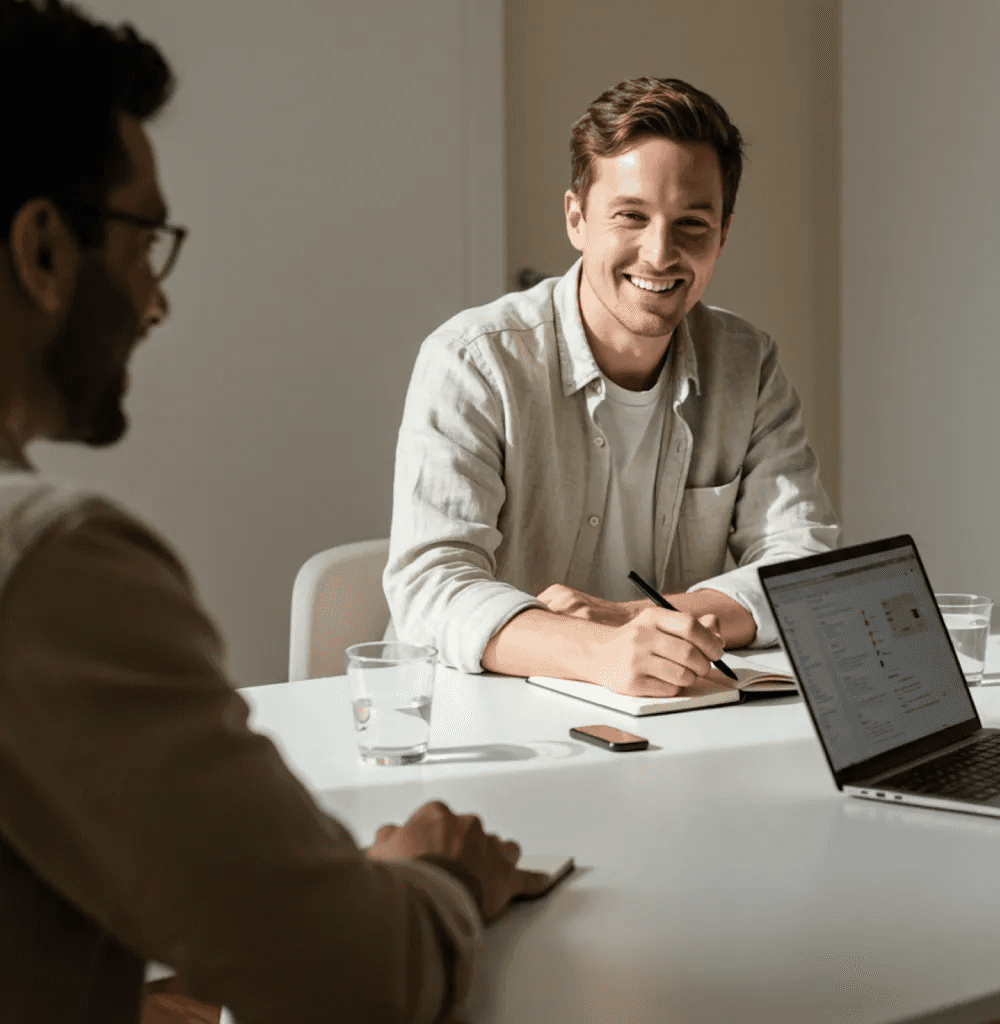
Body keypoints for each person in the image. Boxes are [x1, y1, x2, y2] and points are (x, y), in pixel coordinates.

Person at [0, 3, 542, 1021]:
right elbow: (359, 979)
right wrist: (439, 877)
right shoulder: (53, 566)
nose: (157, 303)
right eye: (145, 241)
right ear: (42, 251)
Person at [385, 77, 840, 698]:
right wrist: (597, 650)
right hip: (480, 724)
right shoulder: (473, 362)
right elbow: (431, 586)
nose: (659, 254)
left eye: (692, 225)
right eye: (631, 216)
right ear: (576, 217)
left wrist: (632, 621)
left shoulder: (748, 365)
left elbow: (805, 568)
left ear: (723, 237)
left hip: (672, 722)